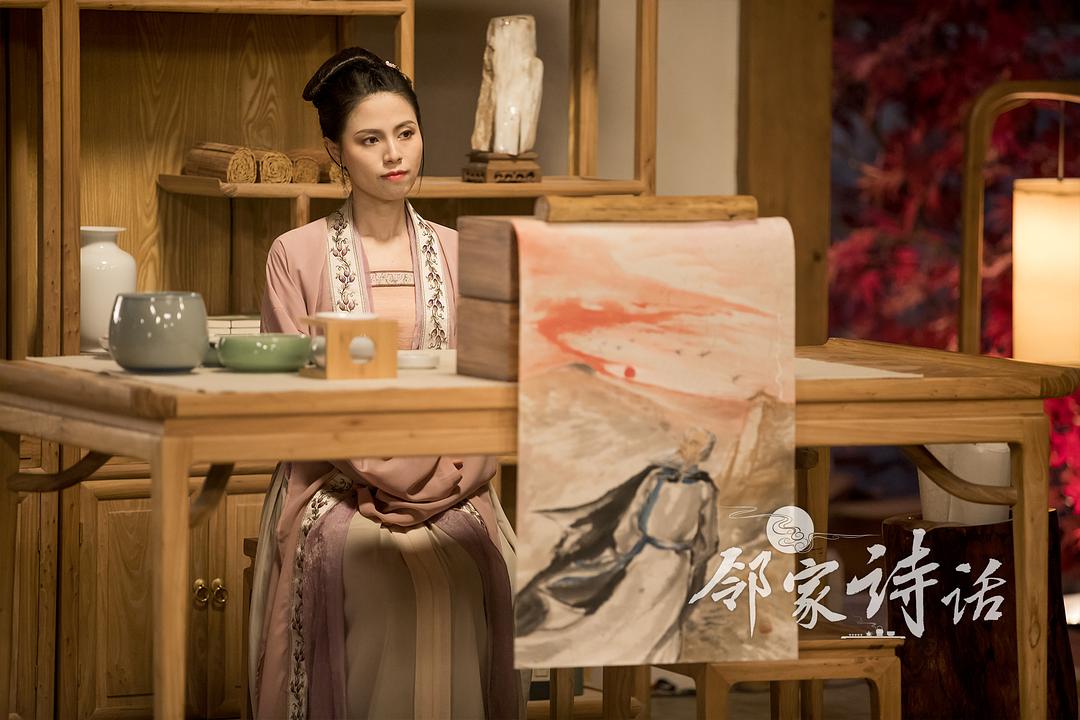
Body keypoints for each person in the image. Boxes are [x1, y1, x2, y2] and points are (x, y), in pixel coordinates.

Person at [248, 47, 522, 720]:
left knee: (465, 575)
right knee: (377, 583)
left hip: (457, 479)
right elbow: (301, 406)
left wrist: (441, 480)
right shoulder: (296, 256)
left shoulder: (462, 252)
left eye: (406, 133)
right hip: (333, 479)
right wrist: (393, 477)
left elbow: (490, 392)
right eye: (369, 140)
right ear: (335, 152)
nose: (394, 155)